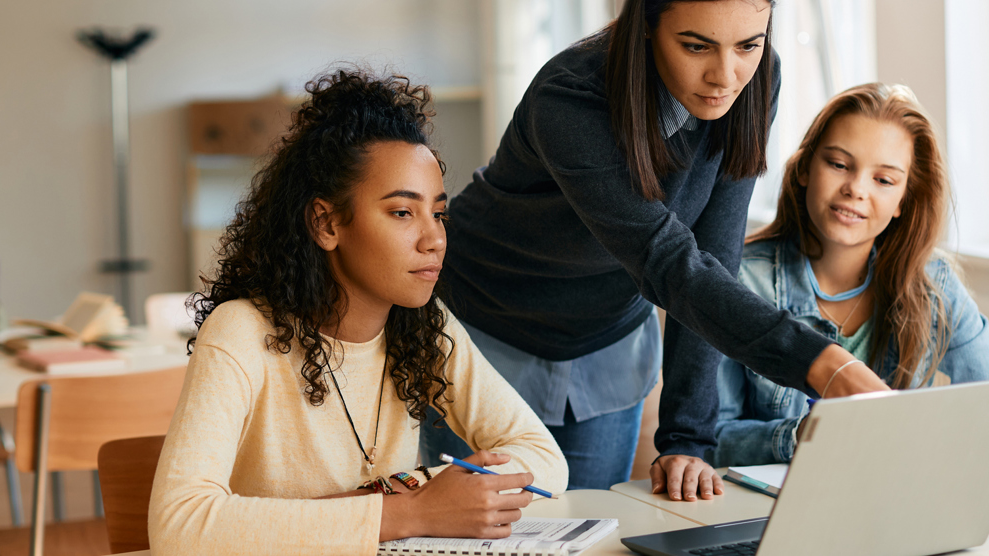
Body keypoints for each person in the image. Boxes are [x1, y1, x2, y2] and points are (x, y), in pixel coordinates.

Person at [425, 0, 890, 498]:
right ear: (646, 25)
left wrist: (687, 437)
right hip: (484, 328)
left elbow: (713, 258)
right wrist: (823, 363)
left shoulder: (756, 79)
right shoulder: (569, 98)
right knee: (475, 532)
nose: (725, 76)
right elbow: (666, 261)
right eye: (697, 46)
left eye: (748, 45)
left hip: (608, 339)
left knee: (591, 530)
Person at [148, 69, 568, 555]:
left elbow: (544, 458)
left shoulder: (423, 325)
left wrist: (404, 493)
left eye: (438, 213)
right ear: (326, 224)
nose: (434, 239)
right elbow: (178, 525)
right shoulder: (241, 331)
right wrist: (412, 511)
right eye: (402, 212)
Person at [711, 83, 989, 467]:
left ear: (903, 200)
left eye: (884, 180)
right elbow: (708, 440)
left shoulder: (932, 283)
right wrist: (801, 435)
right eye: (839, 165)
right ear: (805, 168)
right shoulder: (738, 279)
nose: (855, 189)